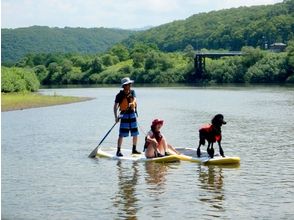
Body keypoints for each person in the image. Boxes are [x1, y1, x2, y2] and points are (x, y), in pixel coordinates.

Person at [114, 77, 140, 157]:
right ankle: (118, 151)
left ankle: (134, 149)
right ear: (124, 86)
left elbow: (135, 99)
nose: (130, 85)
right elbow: (115, 107)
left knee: (135, 133)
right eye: (128, 84)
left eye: (130, 84)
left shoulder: (132, 92)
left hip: (132, 114)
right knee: (121, 134)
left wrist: (133, 103)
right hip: (124, 115)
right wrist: (116, 117)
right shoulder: (119, 95)